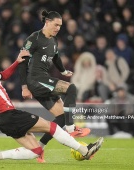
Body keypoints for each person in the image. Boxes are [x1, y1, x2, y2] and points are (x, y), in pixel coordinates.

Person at [0, 47, 103, 164]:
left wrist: (17, 62)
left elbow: (4, 75)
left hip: (4, 120)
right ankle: (84, 150)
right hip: (9, 115)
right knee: (52, 127)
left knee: (36, 151)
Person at [18, 10, 91, 162]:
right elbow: (22, 61)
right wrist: (24, 86)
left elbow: (56, 57)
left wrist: (63, 70)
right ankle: (71, 129)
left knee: (62, 116)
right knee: (71, 88)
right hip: (36, 79)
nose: (58, 28)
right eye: (56, 24)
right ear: (47, 22)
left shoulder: (54, 40)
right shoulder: (34, 38)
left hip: (43, 80)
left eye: (60, 26)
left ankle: (39, 149)